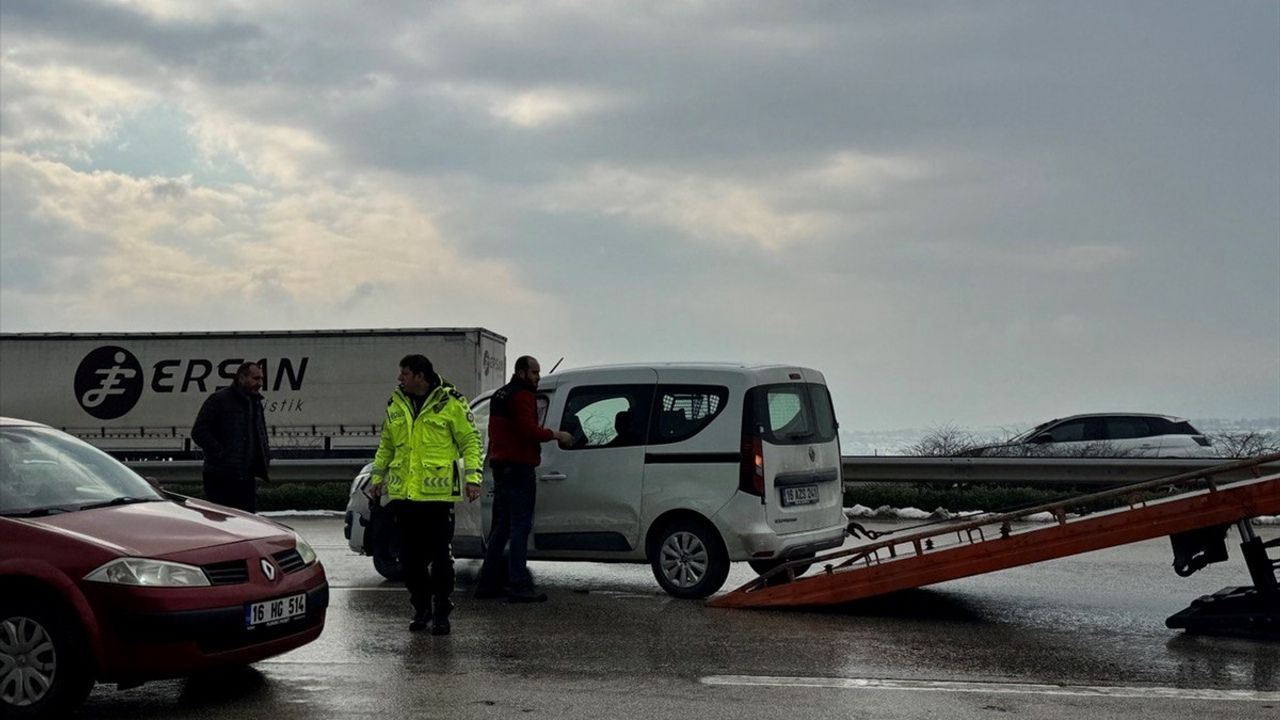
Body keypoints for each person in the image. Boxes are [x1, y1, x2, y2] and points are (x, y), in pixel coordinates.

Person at [369, 354, 482, 635]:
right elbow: (386, 445)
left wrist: (473, 478)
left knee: (440, 558)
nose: (400, 379)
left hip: (437, 495)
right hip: (404, 496)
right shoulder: (396, 403)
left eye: (405, 374)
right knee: (409, 559)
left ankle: (442, 610)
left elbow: (471, 441)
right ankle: (421, 608)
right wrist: (377, 476)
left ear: (420, 375)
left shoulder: (451, 402)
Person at [475, 356, 572, 603]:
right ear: (520, 372)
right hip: (519, 467)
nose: (537, 377)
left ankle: (487, 583)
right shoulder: (522, 396)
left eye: (538, 372)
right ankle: (518, 584)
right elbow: (528, 430)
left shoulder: (500, 395)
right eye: (534, 372)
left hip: (501, 466)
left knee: (502, 527)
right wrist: (556, 434)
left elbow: (497, 431)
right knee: (519, 526)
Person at [191, 362, 270, 512]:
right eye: (256, 378)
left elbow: (260, 433)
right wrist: (222, 454)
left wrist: (264, 456)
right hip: (220, 476)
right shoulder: (219, 400)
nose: (260, 383)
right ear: (241, 378)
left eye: (261, 379)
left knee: (247, 524)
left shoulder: (255, 403)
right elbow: (199, 431)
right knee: (223, 524)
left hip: (245, 476)